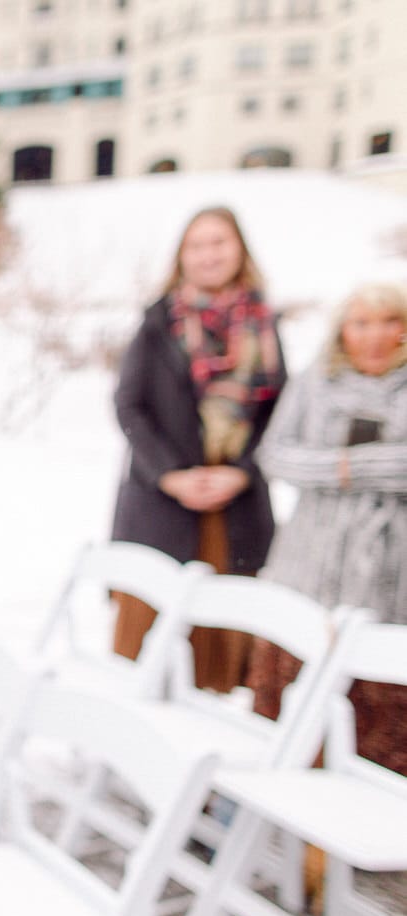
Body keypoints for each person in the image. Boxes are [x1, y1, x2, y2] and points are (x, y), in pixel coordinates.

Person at [110, 205, 287, 692]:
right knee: (143, 631)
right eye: (198, 245)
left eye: (220, 243)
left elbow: (278, 413)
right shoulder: (157, 321)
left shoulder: (264, 324)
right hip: (162, 499)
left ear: (240, 251)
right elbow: (129, 406)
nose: (209, 255)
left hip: (234, 504)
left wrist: (243, 472)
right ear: (182, 256)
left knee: (224, 640)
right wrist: (170, 475)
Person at [249, 283, 407, 775]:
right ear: (343, 330)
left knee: (380, 700)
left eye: (389, 322)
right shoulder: (315, 381)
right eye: (361, 323)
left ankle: (372, 825)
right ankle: (272, 806)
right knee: (292, 684)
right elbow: (275, 454)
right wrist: (345, 469)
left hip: (391, 566)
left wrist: (341, 468)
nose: (375, 336)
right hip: (310, 558)